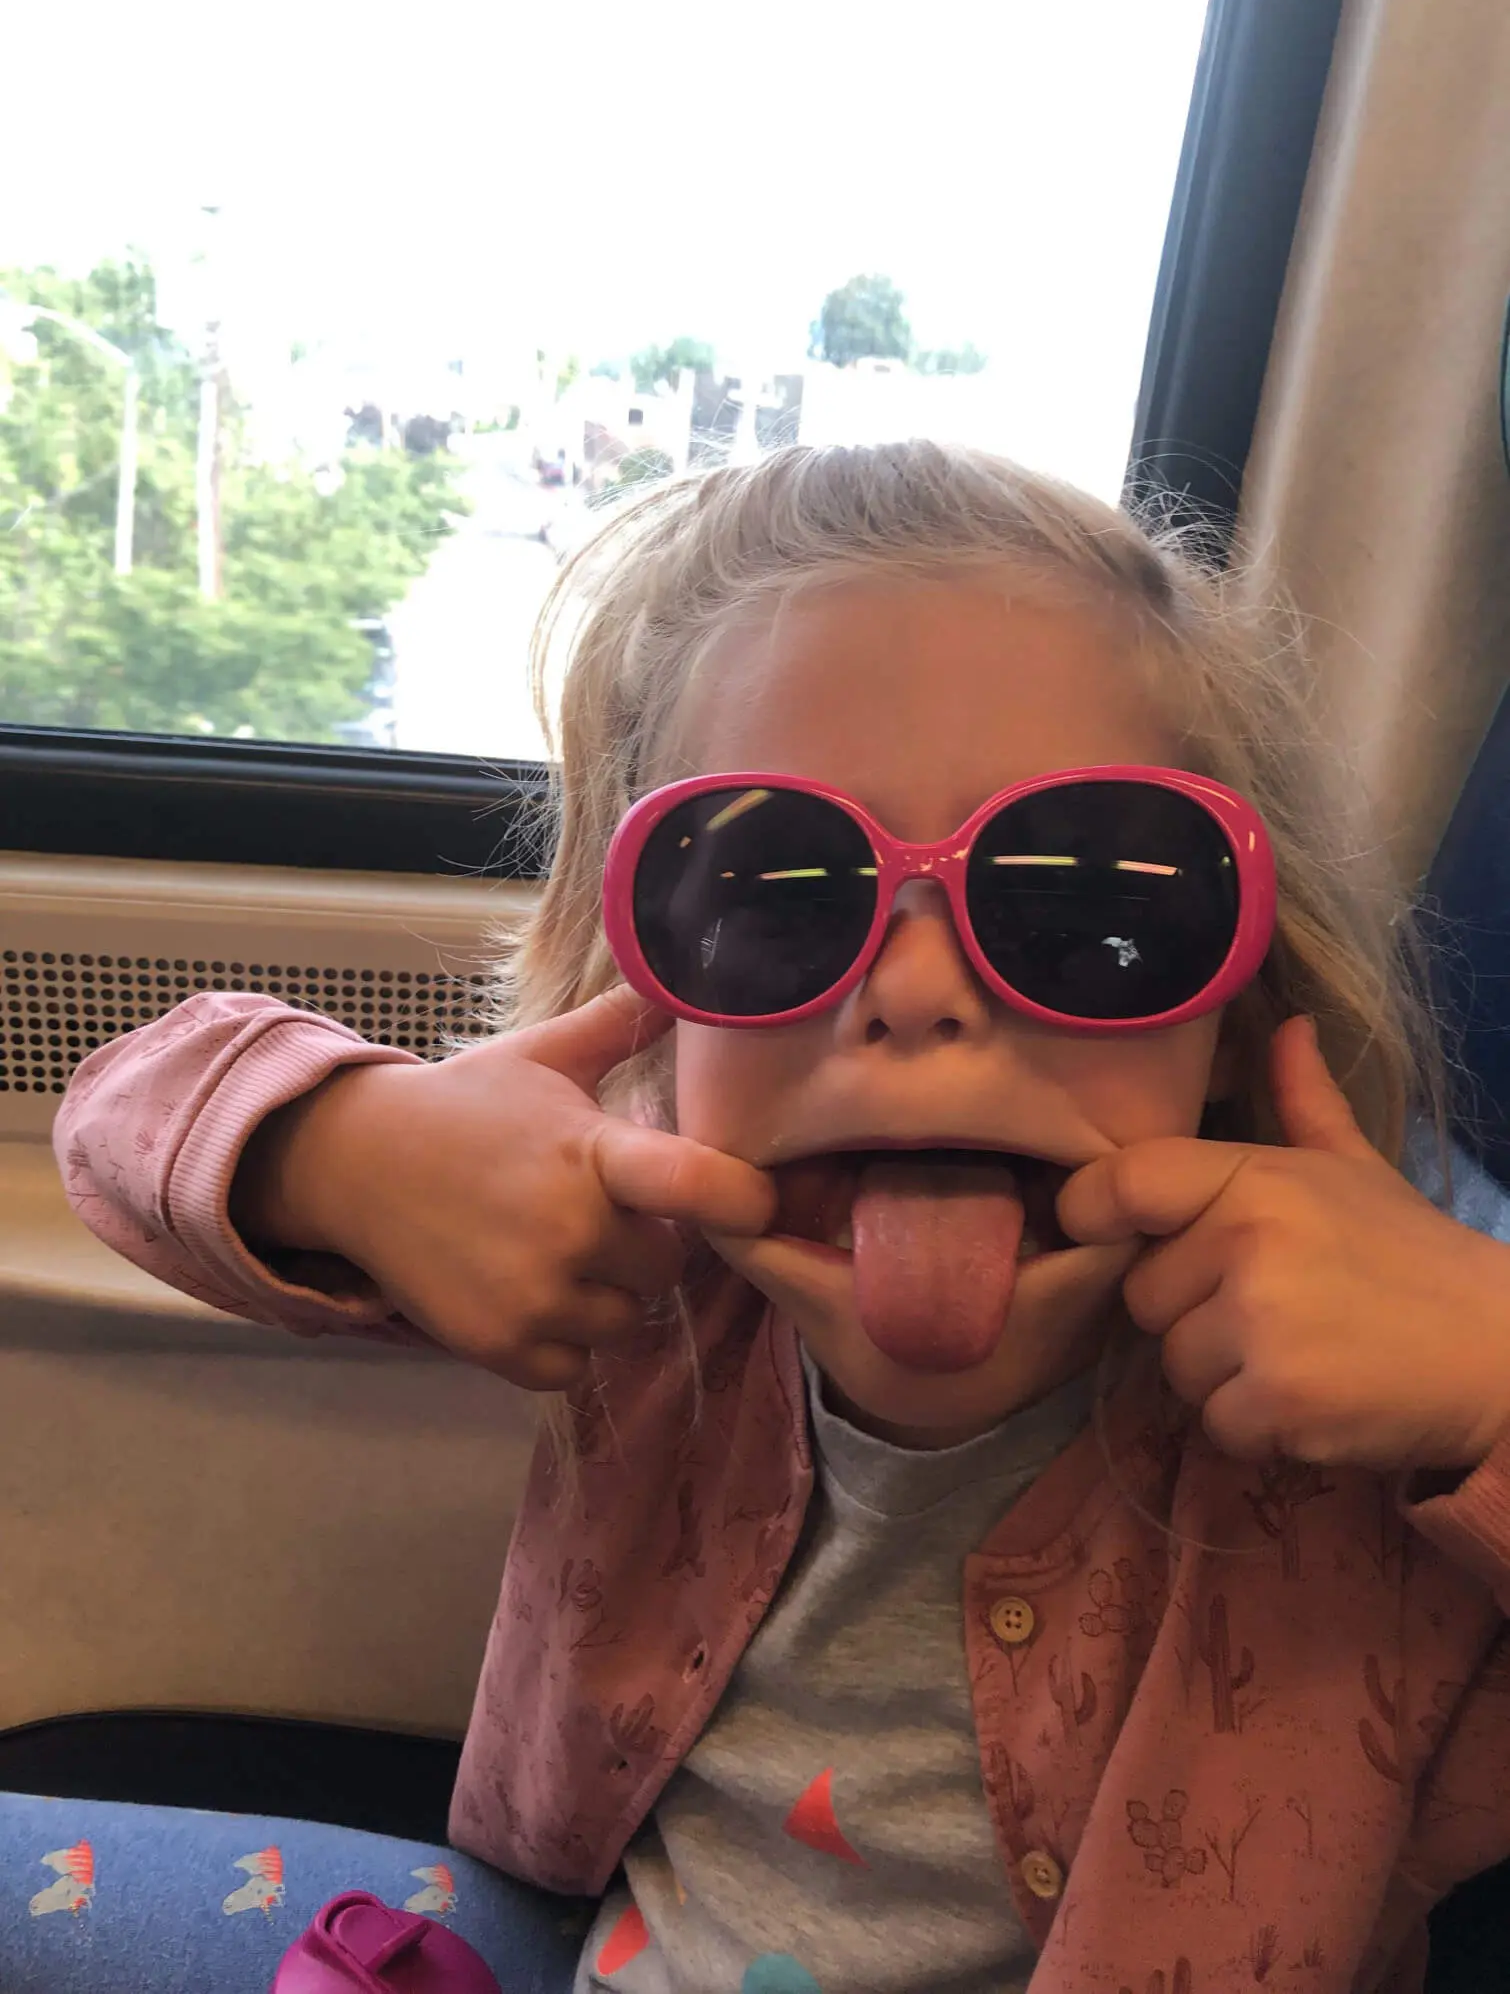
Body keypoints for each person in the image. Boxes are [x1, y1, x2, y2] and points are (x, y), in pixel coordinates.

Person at [48, 444, 1510, 1994]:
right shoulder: (646, 1267)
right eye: (775, 898)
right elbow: (118, 1123)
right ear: (657, 1012)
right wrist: (345, 1147)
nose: (918, 991)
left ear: (1230, 1010)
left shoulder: (1368, 1414)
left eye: (1082, 905)